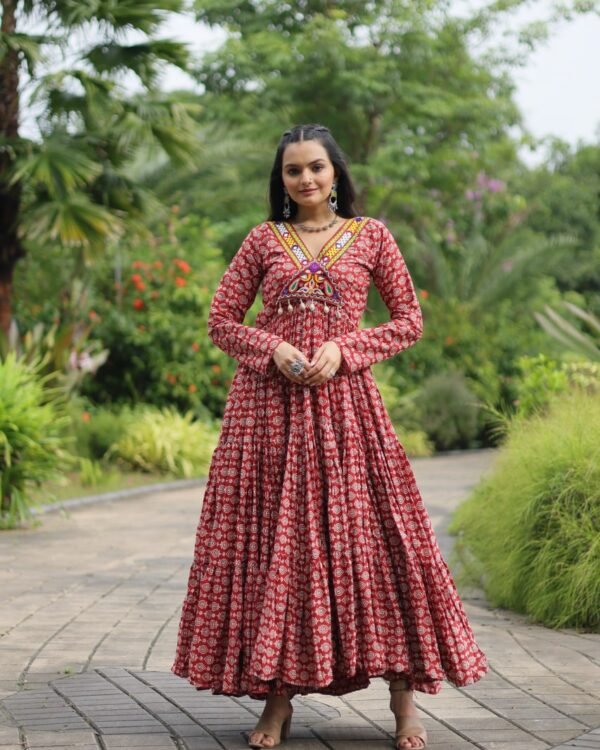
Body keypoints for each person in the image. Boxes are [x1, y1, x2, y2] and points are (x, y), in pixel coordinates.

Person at [172, 124, 488, 750]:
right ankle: (275, 702)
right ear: (281, 180)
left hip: (348, 414)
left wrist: (345, 350)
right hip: (267, 417)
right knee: (277, 549)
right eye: (293, 171)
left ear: (337, 173)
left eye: (317, 167)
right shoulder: (264, 240)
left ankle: (406, 710)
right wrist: (275, 347)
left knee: (380, 543)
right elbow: (220, 320)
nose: (306, 179)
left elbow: (408, 321)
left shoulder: (372, 237)